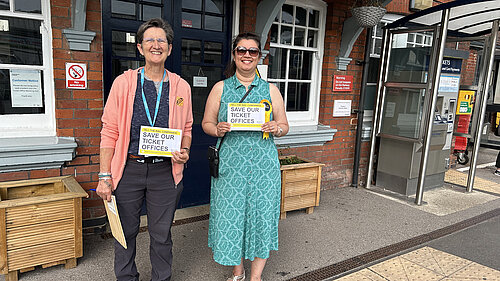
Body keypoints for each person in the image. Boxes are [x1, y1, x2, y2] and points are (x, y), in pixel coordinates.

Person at [96, 18, 193, 281]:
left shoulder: (181, 87)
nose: (156, 45)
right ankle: (127, 278)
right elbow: (110, 131)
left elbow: (186, 128)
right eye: (149, 40)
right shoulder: (124, 83)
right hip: (128, 169)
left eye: (161, 40)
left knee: (161, 234)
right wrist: (105, 176)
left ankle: (161, 278)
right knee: (124, 233)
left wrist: (184, 150)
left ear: (170, 49)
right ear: (140, 48)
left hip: (164, 171)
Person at [202, 32, 289, 281]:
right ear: (234, 55)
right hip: (231, 166)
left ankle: (256, 277)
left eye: (252, 51)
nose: (247, 55)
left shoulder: (271, 90)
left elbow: (284, 125)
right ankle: (238, 272)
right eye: (242, 50)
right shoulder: (221, 88)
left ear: (259, 56)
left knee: (262, 216)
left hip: (264, 166)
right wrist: (216, 128)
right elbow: (206, 123)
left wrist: (276, 128)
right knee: (231, 217)